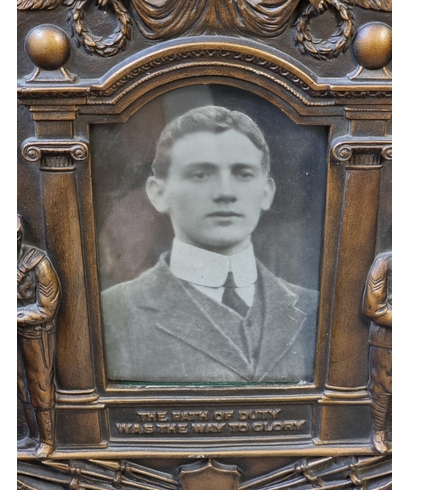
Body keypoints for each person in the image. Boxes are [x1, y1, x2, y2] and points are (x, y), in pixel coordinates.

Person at [102, 106, 318, 383]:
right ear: (159, 193)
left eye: (243, 174)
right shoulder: (115, 312)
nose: (225, 193)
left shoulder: (312, 307)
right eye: (200, 175)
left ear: (266, 192)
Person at [17, 215, 61, 457]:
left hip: (36, 334)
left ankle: (48, 440)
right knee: (21, 385)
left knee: (40, 386)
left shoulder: (38, 263)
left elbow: (47, 308)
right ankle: (32, 435)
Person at [362, 251, 392, 453]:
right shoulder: (386, 261)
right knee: (383, 386)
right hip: (388, 339)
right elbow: (373, 308)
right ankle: (379, 432)